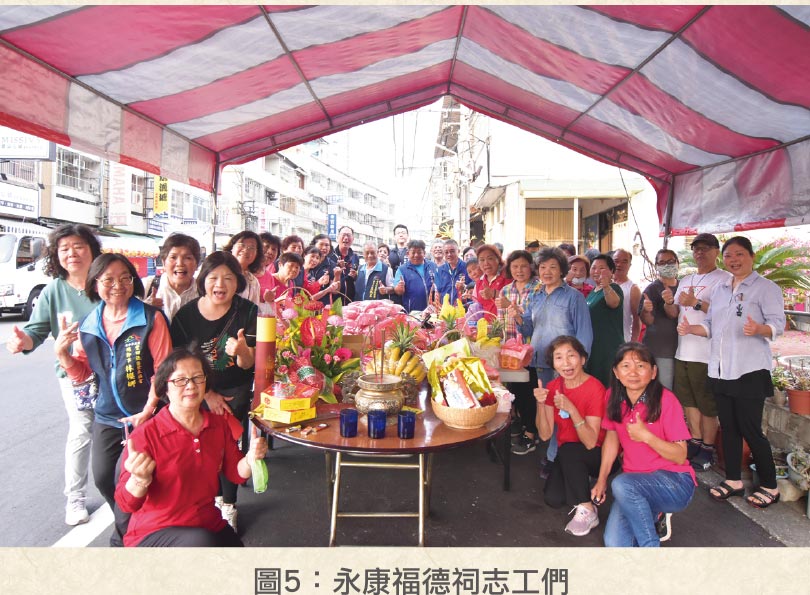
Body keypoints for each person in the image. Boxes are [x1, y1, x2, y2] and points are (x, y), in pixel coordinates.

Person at [54, 253, 172, 545]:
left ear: (133, 281)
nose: (117, 285)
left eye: (124, 278)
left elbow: (164, 369)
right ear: (95, 284)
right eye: (108, 279)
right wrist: (63, 355)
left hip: (149, 415)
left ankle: (128, 537)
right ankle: (134, 524)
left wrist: (148, 409)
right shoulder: (88, 325)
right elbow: (82, 375)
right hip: (107, 416)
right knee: (105, 478)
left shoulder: (150, 319)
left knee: (149, 477)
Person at [115, 347, 268, 547]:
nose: (191, 386)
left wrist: (250, 459)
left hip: (206, 521)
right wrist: (140, 480)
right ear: (165, 387)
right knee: (201, 544)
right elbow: (126, 503)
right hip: (156, 530)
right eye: (180, 380)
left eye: (197, 377)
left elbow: (236, 474)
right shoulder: (146, 435)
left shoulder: (217, 424)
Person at [5, 223, 102, 526]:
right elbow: (35, 331)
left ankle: (129, 488)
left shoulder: (107, 282)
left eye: (79, 246)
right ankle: (74, 498)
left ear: (92, 250)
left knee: (120, 430)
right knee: (82, 431)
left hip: (116, 372)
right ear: (56, 255)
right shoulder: (52, 291)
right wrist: (23, 341)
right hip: (75, 376)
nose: (72, 253)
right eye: (64, 248)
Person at [678, 236, 785, 509]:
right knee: (730, 428)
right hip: (720, 369)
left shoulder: (766, 288)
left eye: (739, 254)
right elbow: (711, 326)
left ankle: (770, 486)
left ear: (751, 256)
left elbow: (777, 325)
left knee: (751, 429)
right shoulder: (722, 289)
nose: (734, 260)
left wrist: (759, 329)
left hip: (749, 369)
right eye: (729, 256)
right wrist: (692, 330)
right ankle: (734, 481)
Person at [170, 251, 258, 530]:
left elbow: (248, 364)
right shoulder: (185, 316)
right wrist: (206, 394)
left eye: (228, 278)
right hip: (195, 392)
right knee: (196, 450)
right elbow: (178, 364)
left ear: (238, 283)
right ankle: (202, 503)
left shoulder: (248, 312)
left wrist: (243, 351)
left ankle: (228, 505)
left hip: (235, 392)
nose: (220, 284)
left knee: (227, 448)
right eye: (213, 277)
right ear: (203, 281)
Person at [591, 343, 696, 547]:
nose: (633, 372)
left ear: (653, 371)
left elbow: (680, 455)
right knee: (615, 543)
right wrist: (601, 480)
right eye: (626, 366)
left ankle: (651, 548)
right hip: (634, 486)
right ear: (616, 372)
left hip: (674, 482)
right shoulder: (612, 396)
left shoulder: (667, 400)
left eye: (640, 366)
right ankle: (651, 512)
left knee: (621, 484)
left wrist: (647, 437)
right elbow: (612, 439)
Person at [513, 247, 592, 460]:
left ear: (562, 270)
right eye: (543, 267)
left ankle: (557, 457)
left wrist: (578, 365)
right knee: (547, 409)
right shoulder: (536, 295)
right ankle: (553, 455)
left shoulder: (574, 297)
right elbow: (529, 329)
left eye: (553, 267)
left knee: (565, 410)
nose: (547, 271)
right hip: (541, 363)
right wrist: (519, 318)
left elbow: (584, 333)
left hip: (565, 366)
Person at [667, 233, 729, 470]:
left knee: (707, 404)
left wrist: (696, 303)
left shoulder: (724, 279)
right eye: (696, 249)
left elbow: (725, 314)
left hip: (706, 353)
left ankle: (708, 448)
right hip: (683, 351)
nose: (700, 253)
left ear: (716, 251)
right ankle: (695, 441)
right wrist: (667, 303)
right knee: (688, 402)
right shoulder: (686, 279)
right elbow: (675, 312)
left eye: (705, 248)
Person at [534, 336, 607, 536]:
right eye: (558, 358)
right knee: (553, 498)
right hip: (569, 454)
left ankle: (588, 510)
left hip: (597, 454)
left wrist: (572, 409)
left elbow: (591, 442)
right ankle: (581, 481)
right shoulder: (552, 387)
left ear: (583, 359)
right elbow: (545, 434)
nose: (565, 363)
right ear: (554, 364)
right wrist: (541, 403)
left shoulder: (595, 388)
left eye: (571, 356)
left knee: (569, 450)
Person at [496, 250, 540, 453]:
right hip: (511, 350)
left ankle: (531, 432)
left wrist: (513, 307)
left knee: (530, 390)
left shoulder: (538, 288)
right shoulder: (505, 289)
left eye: (523, 266)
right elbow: (501, 320)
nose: (519, 270)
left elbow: (535, 317)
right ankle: (521, 424)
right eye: (515, 267)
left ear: (530, 266)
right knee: (515, 390)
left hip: (532, 348)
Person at [639, 249, 680, 390]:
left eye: (670, 262)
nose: (667, 265)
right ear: (656, 266)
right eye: (662, 262)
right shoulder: (651, 289)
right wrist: (646, 310)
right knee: (663, 394)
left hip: (683, 352)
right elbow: (647, 320)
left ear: (677, 263)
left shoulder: (684, 286)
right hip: (660, 351)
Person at [585, 254, 625, 388]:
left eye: (602, 268)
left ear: (612, 271)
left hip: (608, 348)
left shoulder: (614, 288)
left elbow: (614, 303)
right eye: (594, 267)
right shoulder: (592, 292)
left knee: (607, 387)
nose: (596, 271)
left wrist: (607, 287)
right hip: (593, 347)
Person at [144, 233, 201, 323]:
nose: (180, 263)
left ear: (197, 264)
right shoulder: (147, 287)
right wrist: (143, 309)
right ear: (163, 263)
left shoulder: (204, 291)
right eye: (173, 257)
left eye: (188, 258)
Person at [392, 239, 437, 313]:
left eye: (419, 252)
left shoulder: (432, 266)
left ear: (424, 253)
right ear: (407, 253)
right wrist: (399, 287)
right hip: (413, 313)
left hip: (433, 312)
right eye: (413, 253)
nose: (416, 255)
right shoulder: (402, 269)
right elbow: (398, 291)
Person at [223, 231, 263, 305]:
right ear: (232, 248)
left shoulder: (253, 281)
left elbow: (253, 311)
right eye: (242, 245)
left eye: (252, 248)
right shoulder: (220, 273)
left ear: (257, 254)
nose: (246, 250)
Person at [612, 249, 642, 342]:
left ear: (630, 265)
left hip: (623, 340)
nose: (619, 265)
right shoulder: (603, 285)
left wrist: (633, 344)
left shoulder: (633, 289)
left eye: (624, 261)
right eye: (616, 261)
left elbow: (637, 320)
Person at [472, 244, 507, 316]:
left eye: (490, 258)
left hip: (505, 325)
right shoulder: (480, 282)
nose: (486, 263)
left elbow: (516, 302)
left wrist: (494, 294)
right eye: (482, 260)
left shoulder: (508, 277)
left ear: (498, 259)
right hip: (485, 325)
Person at [435, 239, 471, 304]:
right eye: (446, 252)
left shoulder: (467, 268)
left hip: (463, 309)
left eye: (452, 251)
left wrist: (465, 287)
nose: (449, 254)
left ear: (458, 251)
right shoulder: (440, 270)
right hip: (445, 311)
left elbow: (474, 290)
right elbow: (438, 292)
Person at [331, 226, 360, 301]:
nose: (346, 238)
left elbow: (356, 279)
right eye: (343, 235)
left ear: (353, 239)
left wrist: (355, 276)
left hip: (350, 300)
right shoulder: (331, 256)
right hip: (334, 300)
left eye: (349, 235)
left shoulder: (355, 257)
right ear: (337, 238)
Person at [256, 232, 281, 299]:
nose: (270, 252)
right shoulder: (245, 271)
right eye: (266, 246)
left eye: (274, 249)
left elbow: (269, 303)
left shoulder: (270, 277)